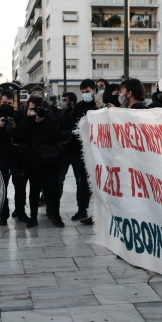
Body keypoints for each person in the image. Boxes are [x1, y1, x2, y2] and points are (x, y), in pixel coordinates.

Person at [17, 95, 64, 227]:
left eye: (38, 107)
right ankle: (33, 216)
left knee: (53, 189)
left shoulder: (49, 115)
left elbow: (57, 134)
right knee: (34, 189)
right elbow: (20, 135)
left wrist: (43, 120)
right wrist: (28, 117)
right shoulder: (25, 116)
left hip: (51, 157)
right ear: (28, 106)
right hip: (34, 158)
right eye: (33, 108)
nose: (36, 110)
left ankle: (56, 215)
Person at [0, 92, 22, 226]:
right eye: (4, 103)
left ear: (13, 103)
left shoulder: (18, 115)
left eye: (9, 104)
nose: (6, 106)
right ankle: (3, 215)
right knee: (2, 187)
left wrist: (15, 127)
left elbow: (24, 134)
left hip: (16, 156)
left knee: (20, 186)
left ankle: (20, 211)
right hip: (0, 156)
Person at [68, 80, 98, 225]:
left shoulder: (100, 105)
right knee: (82, 181)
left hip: (98, 150)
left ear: (94, 90)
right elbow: (72, 124)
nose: (85, 94)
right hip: (82, 149)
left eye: (87, 91)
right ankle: (82, 209)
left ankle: (97, 212)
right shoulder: (79, 106)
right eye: (83, 92)